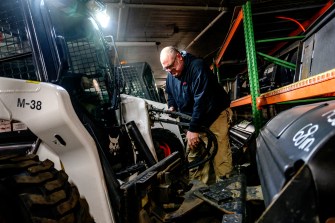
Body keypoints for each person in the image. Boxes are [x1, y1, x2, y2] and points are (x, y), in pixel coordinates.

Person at [160, 46, 233, 184]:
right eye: (166, 69)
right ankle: (199, 192)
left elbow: (202, 100)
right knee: (194, 158)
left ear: (179, 57)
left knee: (220, 156)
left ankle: (226, 190)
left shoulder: (197, 67)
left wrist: (193, 129)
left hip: (213, 115)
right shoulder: (171, 75)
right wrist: (172, 106)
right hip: (193, 119)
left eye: (171, 66)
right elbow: (171, 94)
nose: (170, 71)